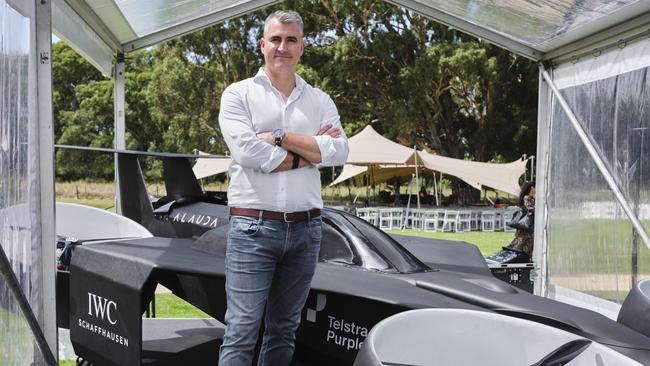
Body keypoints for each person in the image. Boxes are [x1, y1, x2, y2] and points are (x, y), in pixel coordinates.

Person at [217, 10, 349, 365]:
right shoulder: (238, 94)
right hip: (252, 228)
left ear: (302, 47)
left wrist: (280, 137)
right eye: (275, 39)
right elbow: (248, 152)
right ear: (262, 45)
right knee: (242, 329)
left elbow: (338, 151)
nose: (282, 47)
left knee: (284, 330)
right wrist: (310, 151)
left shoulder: (319, 100)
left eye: (291, 40)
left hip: (307, 230)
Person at [504, 181, 536, 259]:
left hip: (526, 226)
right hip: (526, 227)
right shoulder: (527, 198)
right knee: (522, 245)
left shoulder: (529, 198)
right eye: (535, 187)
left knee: (523, 245)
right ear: (532, 188)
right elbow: (531, 209)